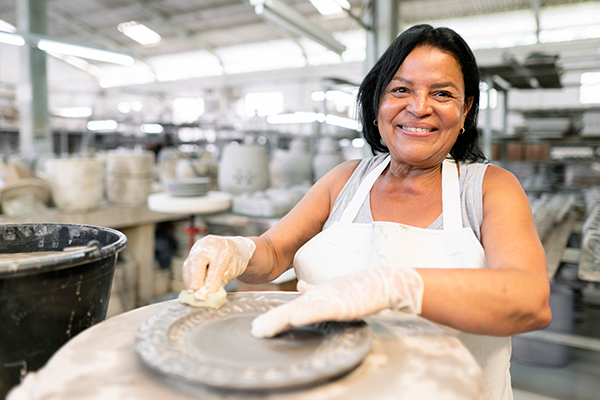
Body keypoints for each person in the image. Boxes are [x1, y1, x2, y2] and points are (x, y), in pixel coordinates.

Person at [182, 24, 552, 400]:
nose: (419, 107)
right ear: (378, 105)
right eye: (401, 90)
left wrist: (395, 286)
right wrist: (236, 250)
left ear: (465, 110)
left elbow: (530, 299)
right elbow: (275, 253)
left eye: (442, 93)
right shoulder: (344, 181)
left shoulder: (489, 188)